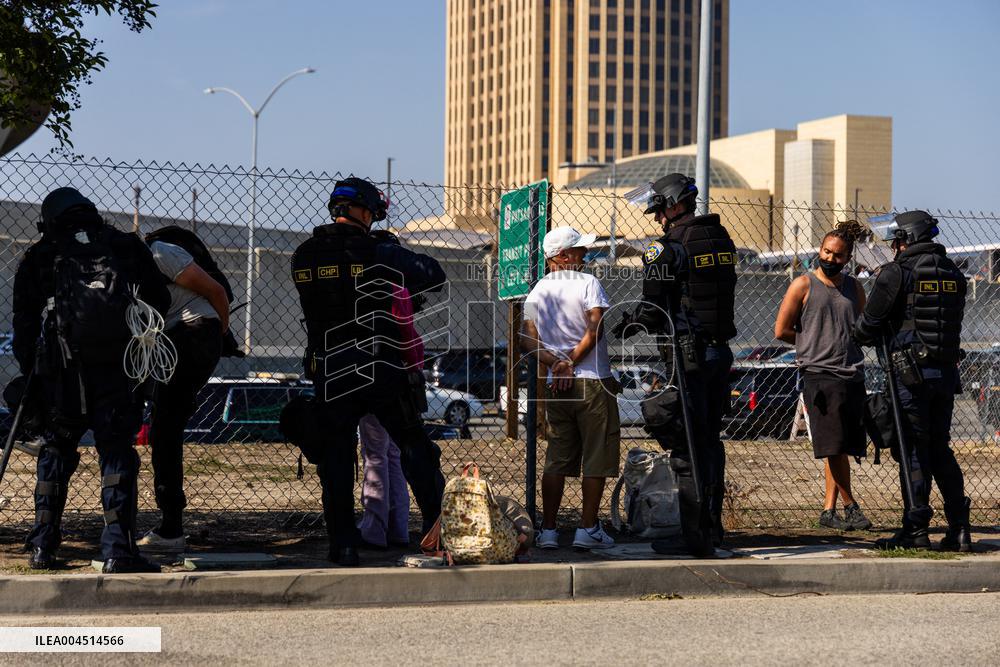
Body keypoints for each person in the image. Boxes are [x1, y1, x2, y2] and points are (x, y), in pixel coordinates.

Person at [288, 177, 447, 566]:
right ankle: (440, 535)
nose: (374, 221)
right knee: (415, 449)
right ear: (362, 211)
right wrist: (392, 252)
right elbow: (434, 274)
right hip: (380, 365)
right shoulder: (378, 250)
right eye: (372, 214)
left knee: (337, 456)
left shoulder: (303, 254)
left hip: (331, 366)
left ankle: (342, 545)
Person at [12, 187, 170, 572]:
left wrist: (33, 372)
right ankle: (118, 550)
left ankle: (43, 545)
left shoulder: (40, 256)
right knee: (115, 452)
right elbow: (159, 302)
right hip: (117, 370)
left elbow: (24, 326)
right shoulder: (124, 246)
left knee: (55, 450)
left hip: (60, 373)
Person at [616, 173, 737, 557]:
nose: (656, 220)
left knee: (687, 445)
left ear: (672, 205)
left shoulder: (666, 249)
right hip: (720, 353)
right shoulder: (721, 239)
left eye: (658, 211)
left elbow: (653, 309)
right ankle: (713, 528)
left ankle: (694, 536)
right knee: (710, 442)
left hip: (688, 356)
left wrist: (624, 325)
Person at [854, 211, 971, 551]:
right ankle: (959, 528)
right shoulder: (953, 272)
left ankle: (916, 529)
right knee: (940, 449)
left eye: (897, 240)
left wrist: (855, 332)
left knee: (913, 450)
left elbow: (869, 324)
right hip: (946, 374)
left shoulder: (897, 272)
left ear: (908, 238)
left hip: (910, 376)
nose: (894, 247)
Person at [520, 226, 620, 550]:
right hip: (591, 380)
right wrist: (571, 361)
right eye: (578, 250)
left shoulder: (537, 291)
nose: (584, 255)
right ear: (562, 256)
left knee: (557, 456)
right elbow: (594, 330)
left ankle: (548, 530)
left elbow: (526, 337)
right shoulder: (588, 284)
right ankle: (587, 528)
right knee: (597, 454)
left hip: (556, 386)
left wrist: (553, 363)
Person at [135, 234, 230, 553]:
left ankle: (172, 527)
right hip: (177, 338)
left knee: (165, 429)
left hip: (193, 332)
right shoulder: (126, 269)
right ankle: (169, 522)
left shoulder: (161, 253)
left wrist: (218, 331)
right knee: (164, 428)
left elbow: (216, 292)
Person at [774, 226, 872, 531]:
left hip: (851, 374)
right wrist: (810, 342)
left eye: (837, 254)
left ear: (847, 257)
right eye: (826, 251)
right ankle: (850, 505)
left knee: (841, 446)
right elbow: (781, 331)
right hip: (819, 374)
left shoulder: (854, 288)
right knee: (832, 445)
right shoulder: (802, 285)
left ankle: (828, 511)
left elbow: (863, 326)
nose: (830, 257)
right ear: (820, 249)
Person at [355, 230, 424, 549]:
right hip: (397, 376)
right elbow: (409, 336)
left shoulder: (361, 285)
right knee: (394, 454)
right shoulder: (400, 289)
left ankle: (374, 528)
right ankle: (397, 527)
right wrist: (414, 370)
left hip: (368, 375)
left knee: (375, 455)